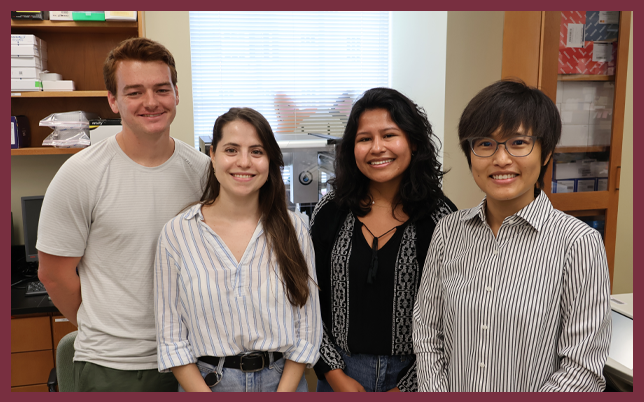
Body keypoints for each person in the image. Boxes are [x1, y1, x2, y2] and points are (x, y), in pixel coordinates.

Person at [412, 79, 612, 392]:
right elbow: (427, 334)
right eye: (485, 144)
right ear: (470, 154)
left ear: (545, 154)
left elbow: (582, 368)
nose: (501, 159)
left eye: (518, 143)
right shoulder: (449, 231)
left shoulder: (577, 243)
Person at [37, 37, 210, 391]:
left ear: (176, 93)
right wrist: (107, 325)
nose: (151, 102)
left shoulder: (204, 172)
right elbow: (54, 275)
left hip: (196, 359)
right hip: (114, 367)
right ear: (113, 101)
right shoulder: (80, 175)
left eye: (162, 89)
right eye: (134, 92)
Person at [154, 107, 321, 392]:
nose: (244, 162)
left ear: (269, 161)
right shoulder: (178, 233)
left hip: (282, 383)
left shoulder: (294, 229)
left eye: (257, 151)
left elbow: (307, 328)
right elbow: (171, 339)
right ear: (212, 155)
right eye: (231, 150)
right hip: (208, 385)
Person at [311, 87, 456, 392]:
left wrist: (407, 389)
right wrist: (335, 374)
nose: (377, 148)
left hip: (419, 375)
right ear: (352, 148)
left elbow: (451, 315)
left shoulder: (442, 217)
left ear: (413, 143)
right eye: (365, 139)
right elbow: (307, 301)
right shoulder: (330, 211)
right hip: (340, 373)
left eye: (389, 135)